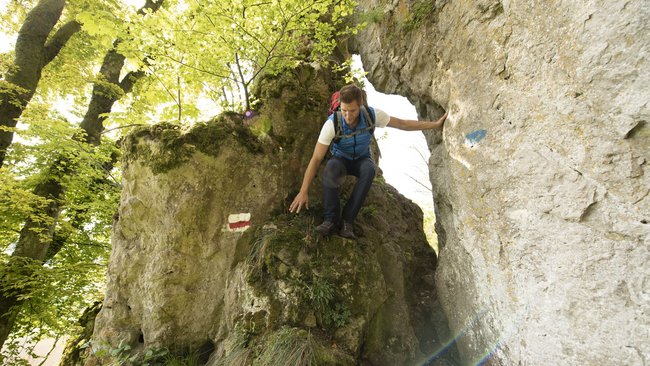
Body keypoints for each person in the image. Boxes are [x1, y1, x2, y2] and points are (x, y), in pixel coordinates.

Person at [289, 84, 447, 239]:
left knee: (369, 169)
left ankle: (347, 222)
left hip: (361, 159)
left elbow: (403, 124)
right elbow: (316, 158)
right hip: (340, 159)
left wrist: (434, 124)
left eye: (352, 111)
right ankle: (330, 220)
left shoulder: (372, 115)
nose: (348, 116)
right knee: (330, 167)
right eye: (344, 111)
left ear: (361, 106)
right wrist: (304, 191)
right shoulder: (332, 123)